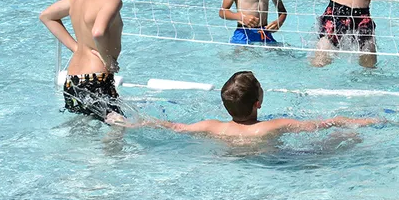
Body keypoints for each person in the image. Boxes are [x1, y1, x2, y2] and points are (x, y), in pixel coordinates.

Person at [129, 71, 379, 137]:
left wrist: (138, 123)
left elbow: (174, 127)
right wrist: (361, 121)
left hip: (229, 155)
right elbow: (321, 124)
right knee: (342, 137)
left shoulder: (213, 127)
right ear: (258, 103)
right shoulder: (272, 126)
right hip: (274, 161)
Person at [39, 0, 125, 121]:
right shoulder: (111, 0)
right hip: (97, 78)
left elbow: (47, 16)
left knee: (84, 128)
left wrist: (77, 48)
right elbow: (98, 32)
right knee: (119, 128)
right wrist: (108, 61)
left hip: (72, 81)